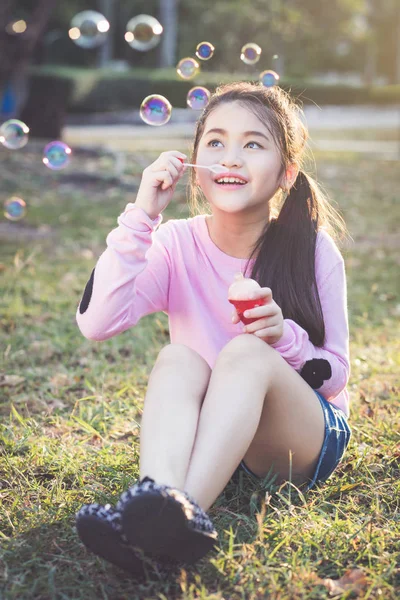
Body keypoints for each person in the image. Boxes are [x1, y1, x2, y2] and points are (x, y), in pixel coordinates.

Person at [75, 81, 352, 577]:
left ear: (287, 173)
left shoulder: (313, 250)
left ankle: (185, 515)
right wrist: (142, 218)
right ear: (195, 167)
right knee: (175, 358)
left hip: (300, 439)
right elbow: (96, 324)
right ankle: (155, 503)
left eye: (253, 144)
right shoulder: (173, 242)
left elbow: (335, 377)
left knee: (245, 355)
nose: (230, 158)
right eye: (216, 142)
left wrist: (282, 339)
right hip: (216, 438)